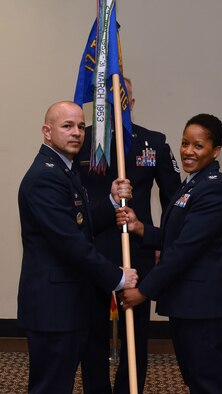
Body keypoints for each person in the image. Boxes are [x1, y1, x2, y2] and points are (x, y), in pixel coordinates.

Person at [17, 101, 138, 394]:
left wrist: (110, 203)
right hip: (54, 307)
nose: (77, 133)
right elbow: (70, 243)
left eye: (81, 127)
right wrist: (118, 277)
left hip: (68, 304)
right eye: (67, 126)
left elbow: (78, 223)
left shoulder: (64, 169)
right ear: (47, 131)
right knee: (51, 387)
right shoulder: (45, 176)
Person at [117, 114, 222, 394]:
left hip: (204, 307)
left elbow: (184, 250)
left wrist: (143, 291)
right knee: (196, 380)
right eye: (185, 143)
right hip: (189, 304)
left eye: (198, 146)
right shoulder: (193, 183)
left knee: (209, 383)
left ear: (215, 150)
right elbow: (177, 237)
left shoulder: (213, 189)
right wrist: (140, 228)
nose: (188, 151)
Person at [77, 78, 182, 394]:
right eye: (108, 101)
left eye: (123, 99)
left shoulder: (153, 143)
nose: (117, 106)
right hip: (93, 251)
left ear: (131, 103)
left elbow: (174, 201)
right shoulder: (82, 143)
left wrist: (162, 240)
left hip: (136, 252)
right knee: (92, 335)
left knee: (136, 338)